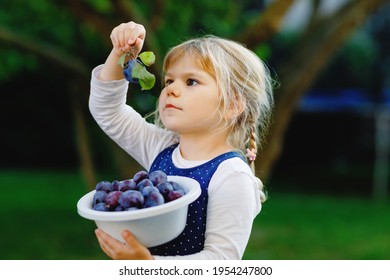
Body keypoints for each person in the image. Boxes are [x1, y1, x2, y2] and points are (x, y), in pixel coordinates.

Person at [90, 21, 274, 260]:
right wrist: (120, 54)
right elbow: (108, 112)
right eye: (169, 81)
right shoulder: (162, 148)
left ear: (233, 105)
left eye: (191, 82)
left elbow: (221, 261)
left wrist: (148, 264)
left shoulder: (232, 176)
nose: (171, 89)